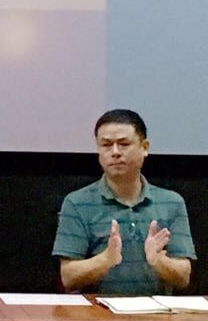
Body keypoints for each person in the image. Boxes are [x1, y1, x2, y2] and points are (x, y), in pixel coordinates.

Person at [54, 109, 196, 295]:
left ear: (144, 147)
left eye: (123, 144)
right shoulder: (77, 203)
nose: (115, 152)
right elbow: (68, 277)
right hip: (96, 310)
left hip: (155, 310)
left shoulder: (171, 203)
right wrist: (106, 259)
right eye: (106, 145)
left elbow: (183, 277)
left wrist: (159, 261)